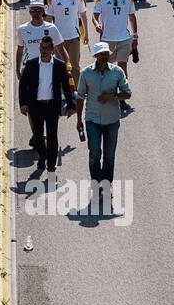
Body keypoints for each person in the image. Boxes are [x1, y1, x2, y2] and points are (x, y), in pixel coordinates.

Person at [76, 42, 132, 202]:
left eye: (106, 53)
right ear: (95, 56)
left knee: (109, 156)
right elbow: (80, 97)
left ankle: (105, 187)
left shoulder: (117, 72)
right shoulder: (86, 73)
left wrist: (112, 97)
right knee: (94, 154)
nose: (104, 56)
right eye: (100, 54)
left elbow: (127, 94)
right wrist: (79, 120)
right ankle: (96, 186)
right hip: (92, 119)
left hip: (112, 120)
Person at [18, 36, 76, 179]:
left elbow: (66, 87)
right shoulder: (31, 65)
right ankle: (42, 156)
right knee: (37, 137)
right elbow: (22, 85)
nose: (44, 51)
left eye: (46, 48)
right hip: (35, 107)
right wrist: (23, 104)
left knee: (52, 137)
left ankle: (51, 165)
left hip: (52, 106)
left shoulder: (59, 65)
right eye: (41, 48)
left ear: (52, 49)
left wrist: (70, 105)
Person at [91, 0, 138, 77]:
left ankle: (123, 90)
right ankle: (107, 90)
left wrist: (135, 36)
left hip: (124, 38)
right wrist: (97, 24)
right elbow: (95, 15)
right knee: (105, 66)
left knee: (122, 65)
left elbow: (132, 16)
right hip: (107, 38)